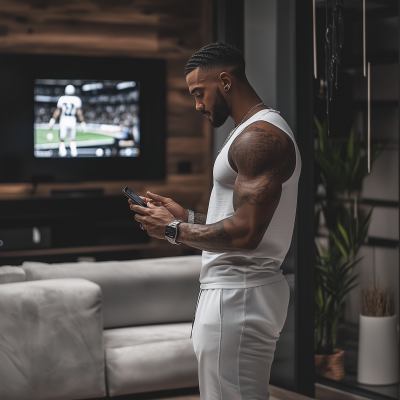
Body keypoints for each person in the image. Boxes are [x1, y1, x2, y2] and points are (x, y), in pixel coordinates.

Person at [128, 43, 301, 400]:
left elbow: (248, 232)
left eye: (198, 93)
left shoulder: (258, 138)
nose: (197, 105)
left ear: (224, 81)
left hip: (238, 293)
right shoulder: (252, 131)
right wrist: (186, 217)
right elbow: (240, 219)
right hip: (240, 291)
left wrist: (172, 230)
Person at [48, 84, 86, 157]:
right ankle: (74, 153)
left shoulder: (62, 99)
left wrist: (53, 120)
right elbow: (79, 113)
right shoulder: (77, 99)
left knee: (61, 139)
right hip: (72, 120)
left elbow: (58, 111)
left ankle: (62, 153)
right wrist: (82, 123)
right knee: (72, 139)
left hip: (64, 120)